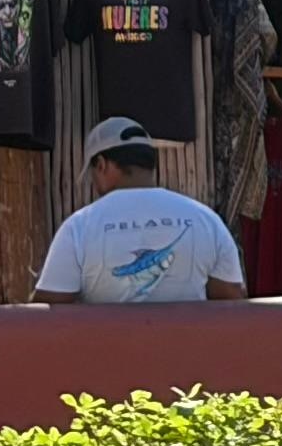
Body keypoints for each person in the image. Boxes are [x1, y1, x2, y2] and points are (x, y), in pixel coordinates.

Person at [35, 114, 248, 304]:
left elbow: (50, 307)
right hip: (185, 349)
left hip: (106, 348)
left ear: (101, 164)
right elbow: (231, 298)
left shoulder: (79, 226)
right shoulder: (206, 220)